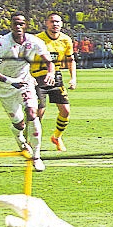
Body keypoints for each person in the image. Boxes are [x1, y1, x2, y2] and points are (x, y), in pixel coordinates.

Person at [0, 14, 54, 172]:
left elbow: (48, 61)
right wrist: (10, 81)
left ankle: (36, 157)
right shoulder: (3, 44)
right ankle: (19, 137)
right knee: (19, 123)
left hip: (25, 83)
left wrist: (50, 72)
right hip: (6, 87)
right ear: (11, 26)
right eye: (15, 24)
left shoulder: (34, 41)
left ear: (26, 25)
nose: (18, 27)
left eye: (21, 24)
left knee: (32, 113)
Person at [34, 12, 77, 152]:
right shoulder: (37, 39)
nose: (55, 24)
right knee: (38, 112)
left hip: (55, 77)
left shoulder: (66, 40)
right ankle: (32, 141)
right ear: (46, 23)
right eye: (52, 21)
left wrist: (73, 78)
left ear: (62, 24)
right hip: (37, 78)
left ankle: (56, 137)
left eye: (58, 22)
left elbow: (71, 60)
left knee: (65, 111)